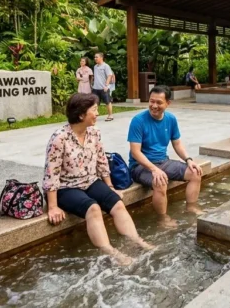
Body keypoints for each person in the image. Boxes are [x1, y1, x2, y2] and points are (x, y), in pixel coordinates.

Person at [43, 93, 152, 265]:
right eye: (94, 110)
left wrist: (109, 185)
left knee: (117, 203)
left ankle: (138, 241)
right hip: (66, 187)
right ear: (81, 115)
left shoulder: (94, 133)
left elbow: (102, 160)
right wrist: (53, 206)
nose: (98, 113)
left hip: (90, 181)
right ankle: (112, 252)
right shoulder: (59, 138)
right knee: (93, 208)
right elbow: (51, 173)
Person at [128, 85, 203, 228]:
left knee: (195, 173)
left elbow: (177, 143)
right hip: (140, 166)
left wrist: (189, 160)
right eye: (151, 101)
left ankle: (191, 207)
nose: (154, 106)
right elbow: (135, 152)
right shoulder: (138, 120)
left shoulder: (171, 119)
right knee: (160, 181)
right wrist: (153, 169)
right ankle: (162, 218)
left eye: (159, 102)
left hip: (163, 161)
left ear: (168, 103)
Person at [92, 52, 115, 121]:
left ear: (101, 58)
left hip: (103, 88)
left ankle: (110, 115)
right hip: (95, 88)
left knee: (107, 102)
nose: (95, 58)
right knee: (94, 103)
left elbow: (109, 75)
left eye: (97, 57)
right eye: (95, 57)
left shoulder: (106, 66)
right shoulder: (95, 67)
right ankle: (94, 115)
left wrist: (106, 85)